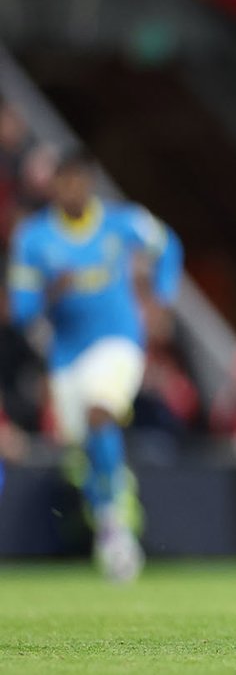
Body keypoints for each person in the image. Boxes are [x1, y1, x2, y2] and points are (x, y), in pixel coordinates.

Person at [6, 150, 182, 582]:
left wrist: (159, 297)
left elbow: (169, 245)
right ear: (54, 187)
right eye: (64, 182)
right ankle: (110, 515)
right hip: (66, 355)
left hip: (120, 342)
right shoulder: (33, 239)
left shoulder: (123, 223)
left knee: (100, 412)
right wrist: (51, 291)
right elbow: (22, 312)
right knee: (84, 451)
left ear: (90, 182)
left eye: (79, 181)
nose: (72, 189)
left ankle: (117, 529)